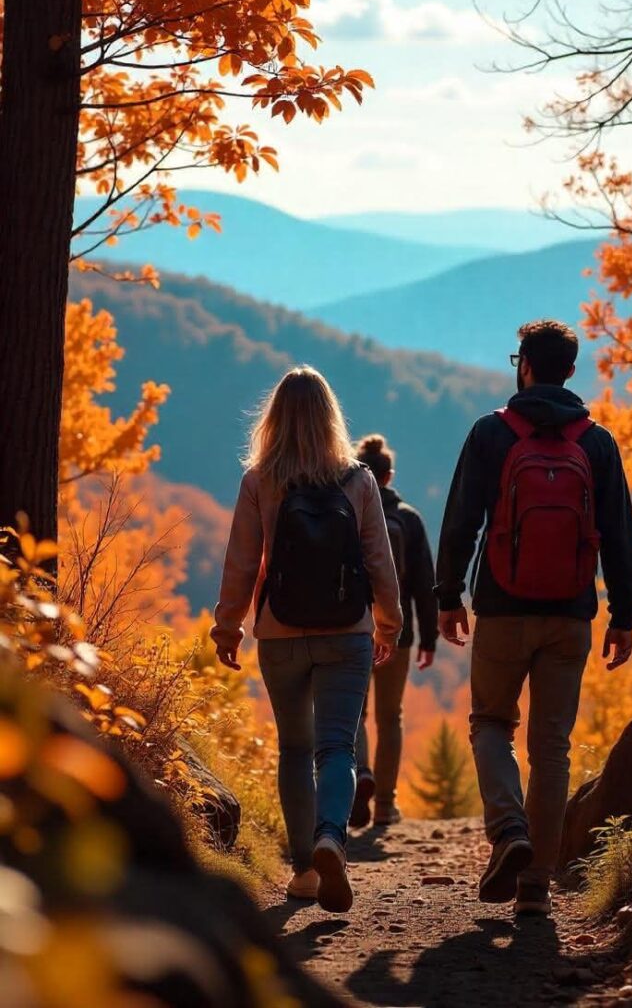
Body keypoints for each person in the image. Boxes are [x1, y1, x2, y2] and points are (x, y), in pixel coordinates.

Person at [435, 320, 632, 917]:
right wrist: (622, 613)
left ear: (523, 364)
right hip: (570, 615)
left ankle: (509, 832)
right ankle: (537, 887)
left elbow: (461, 520)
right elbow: (619, 534)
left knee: (490, 723)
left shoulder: (491, 433)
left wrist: (448, 595)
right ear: (571, 371)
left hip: (501, 609)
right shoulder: (595, 441)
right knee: (551, 746)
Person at [211, 367, 403, 914]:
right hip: (348, 634)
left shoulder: (260, 480)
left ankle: (303, 871)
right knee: (337, 746)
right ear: (330, 419)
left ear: (274, 420)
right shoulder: (359, 480)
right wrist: (388, 624)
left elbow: (242, 562)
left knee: (294, 749)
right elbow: (379, 563)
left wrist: (228, 628)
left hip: (280, 635)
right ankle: (330, 839)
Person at [350, 435, 439, 829]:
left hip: (352, 627)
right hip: (397, 632)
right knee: (391, 717)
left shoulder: (346, 510)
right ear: (389, 475)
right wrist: (429, 638)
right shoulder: (410, 518)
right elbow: (425, 584)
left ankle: (361, 774)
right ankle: (385, 804)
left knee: (353, 712)